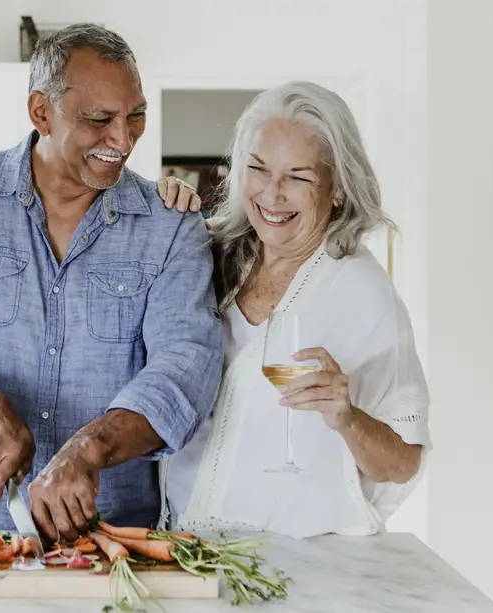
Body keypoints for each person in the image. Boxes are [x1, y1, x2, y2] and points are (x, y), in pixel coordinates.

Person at [0, 23, 222, 542]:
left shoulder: (171, 224)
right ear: (41, 112)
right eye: (99, 119)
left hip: (118, 540)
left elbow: (185, 371)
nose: (123, 139)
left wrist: (90, 448)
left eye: (136, 115)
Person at [156, 82, 431, 538]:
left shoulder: (361, 292)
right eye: (259, 169)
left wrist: (347, 417)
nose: (272, 193)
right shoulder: (212, 254)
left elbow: (402, 463)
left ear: (337, 188)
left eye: (299, 177)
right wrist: (160, 209)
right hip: (182, 545)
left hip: (295, 565)